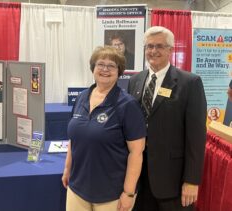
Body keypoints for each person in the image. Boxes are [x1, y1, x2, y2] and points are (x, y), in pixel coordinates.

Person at [128, 26, 207, 211]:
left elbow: (196, 137)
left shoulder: (190, 83)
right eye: (149, 46)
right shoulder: (135, 81)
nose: (153, 51)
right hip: (139, 178)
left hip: (173, 182)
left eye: (159, 46)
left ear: (171, 50)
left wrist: (192, 180)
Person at [62, 46, 146, 211]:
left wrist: (128, 193)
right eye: (100, 64)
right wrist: (67, 169)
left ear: (119, 71)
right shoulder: (81, 98)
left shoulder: (127, 105)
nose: (105, 69)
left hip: (111, 194)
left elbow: (136, 153)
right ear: (93, 68)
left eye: (111, 66)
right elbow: (74, 140)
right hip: (77, 188)